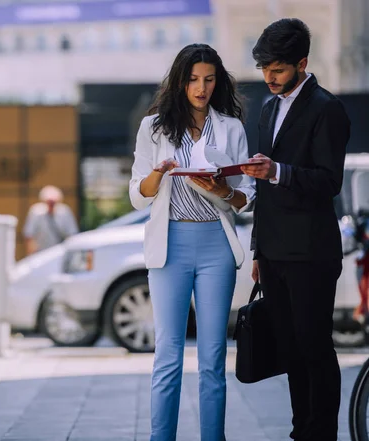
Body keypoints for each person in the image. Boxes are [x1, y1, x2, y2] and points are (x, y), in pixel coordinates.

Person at [129, 44, 256, 441]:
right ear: (180, 81)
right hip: (170, 245)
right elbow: (137, 193)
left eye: (209, 79)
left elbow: (246, 195)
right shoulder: (154, 127)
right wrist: (158, 173)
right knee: (168, 355)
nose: (201, 88)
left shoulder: (231, 128)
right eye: (193, 79)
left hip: (216, 245)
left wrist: (221, 188)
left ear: (218, 82)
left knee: (212, 359)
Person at [240, 18, 351, 441]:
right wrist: (258, 250)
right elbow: (265, 189)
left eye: (279, 69)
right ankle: (299, 431)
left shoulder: (327, 109)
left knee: (314, 347)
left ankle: (320, 433)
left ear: (302, 63)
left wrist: (278, 171)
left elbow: (328, 181)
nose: (269, 76)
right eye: (265, 68)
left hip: (312, 252)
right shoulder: (268, 108)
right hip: (273, 251)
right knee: (289, 350)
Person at [23, 185, 79, 255]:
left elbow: (72, 234)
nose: (51, 205)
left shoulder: (65, 212)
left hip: (59, 254)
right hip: (40, 254)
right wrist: (31, 255)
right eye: (49, 202)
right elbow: (29, 235)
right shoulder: (36, 212)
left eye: (53, 202)